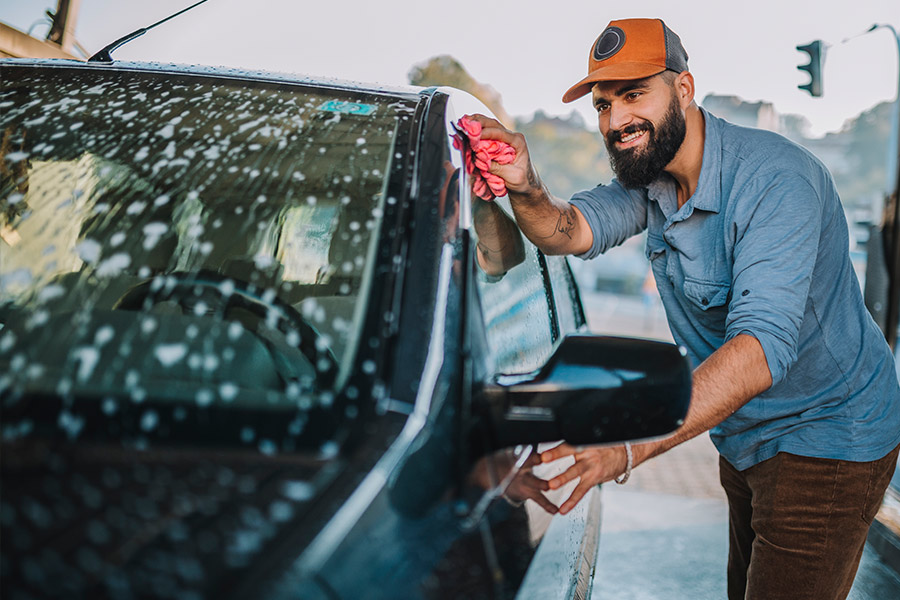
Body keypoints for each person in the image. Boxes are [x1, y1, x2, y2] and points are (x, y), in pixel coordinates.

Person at [468, 17, 900, 600]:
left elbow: (760, 352)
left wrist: (627, 446)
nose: (615, 120)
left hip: (829, 434)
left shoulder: (777, 181)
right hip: (745, 435)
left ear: (685, 89)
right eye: (603, 105)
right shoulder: (652, 181)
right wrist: (524, 186)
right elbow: (567, 230)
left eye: (633, 94)